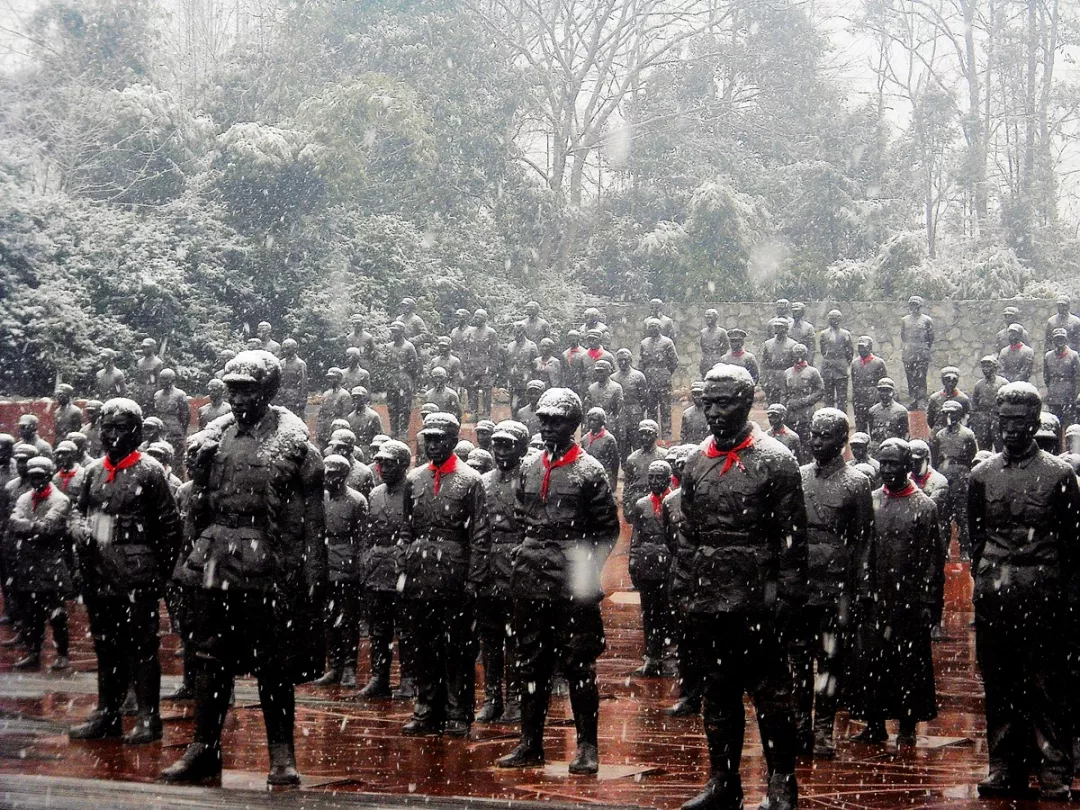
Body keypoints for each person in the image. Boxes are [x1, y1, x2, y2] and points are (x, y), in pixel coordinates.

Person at [162, 351, 325, 786]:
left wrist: (312, 576)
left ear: (267, 391)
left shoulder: (296, 449)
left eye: (246, 388)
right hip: (215, 561)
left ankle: (281, 754)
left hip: (266, 566)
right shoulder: (211, 442)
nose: (237, 397)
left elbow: (312, 523)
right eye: (232, 388)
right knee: (210, 660)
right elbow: (197, 506)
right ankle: (204, 748)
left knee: (274, 664)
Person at [676, 364, 806, 810]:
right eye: (707, 402)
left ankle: (781, 782)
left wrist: (787, 596)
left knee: (771, 693)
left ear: (747, 402)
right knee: (718, 690)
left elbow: (792, 539)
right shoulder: (695, 461)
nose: (713, 411)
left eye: (724, 402)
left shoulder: (777, 460)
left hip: (758, 595)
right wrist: (687, 591)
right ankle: (723, 781)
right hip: (710, 595)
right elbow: (688, 534)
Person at [495, 388, 619, 775]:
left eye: (557, 420)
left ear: (574, 424)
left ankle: (586, 747)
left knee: (578, 665)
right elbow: (520, 518)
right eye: (544, 419)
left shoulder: (589, 470)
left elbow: (606, 532)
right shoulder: (529, 467)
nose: (548, 426)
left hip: (572, 578)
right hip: (531, 578)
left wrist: (581, 574)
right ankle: (530, 744)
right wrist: (528, 555)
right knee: (530, 663)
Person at [968, 382, 1080, 800]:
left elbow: (1072, 547)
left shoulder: (1059, 474)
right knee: (1001, 685)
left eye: (1020, 421)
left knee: (1048, 686)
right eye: (1005, 420)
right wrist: (989, 581)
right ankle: (1004, 766)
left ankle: (1054, 769)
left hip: (1044, 599)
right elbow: (978, 538)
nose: (1011, 429)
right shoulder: (982, 475)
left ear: (1034, 422)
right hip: (998, 599)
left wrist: (1066, 602)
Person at [68, 398, 181, 746]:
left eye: (120, 427)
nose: (112, 434)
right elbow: (81, 510)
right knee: (105, 646)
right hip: (100, 575)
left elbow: (170, 528)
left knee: (142, 648)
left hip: (137, 577)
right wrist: (79, 528)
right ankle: (108, 713)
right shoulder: (93, 472)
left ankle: (149, 717)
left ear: (135, 432)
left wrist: (157, 574)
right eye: (107, 426)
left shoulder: (150, 472)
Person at [399, 412, 490, 738]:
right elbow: (406, 529)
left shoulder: (471, 481)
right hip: (421, 576)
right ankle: (426, 710)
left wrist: (473, 579)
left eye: (439, 439)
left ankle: (457, 712)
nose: (433, 444)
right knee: (423, 647)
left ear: (453, 441)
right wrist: (402, 570)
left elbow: (480, 535)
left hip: (455, 576)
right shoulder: (414, 479)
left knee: (457, 650)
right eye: (429, 438)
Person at [847, 438, 942, 749]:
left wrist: (929, 601)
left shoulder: (924, 506)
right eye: (883, 463)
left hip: (908, 600)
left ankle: (907, 726)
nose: (888, 469)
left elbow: (932, 560)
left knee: (909, 664)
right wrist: (862, 587)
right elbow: (860, 551)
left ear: (907, 466)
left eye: (894, 463)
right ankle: (874, 723)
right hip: (874, 598)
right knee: (871, 661)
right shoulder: (871, 502)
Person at [793, 408, 873, 759]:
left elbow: (864, 542)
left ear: (842, 440)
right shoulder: (798, 477)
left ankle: (823, 727)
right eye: (813, 434)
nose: (817, 441)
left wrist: (861, 589)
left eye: (825, 436)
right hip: (800, 588)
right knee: (797, 663)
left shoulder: (857, 483)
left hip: (836, 589)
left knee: (830, 661)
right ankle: (799, 726)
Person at [476, 420, 530, 724]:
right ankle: (492, 697)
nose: (500, 450)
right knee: (490, 639)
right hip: (487, 568)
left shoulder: (528, 479)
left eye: (507, 444)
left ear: (521, 447)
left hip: (517, 568)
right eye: (496, 444)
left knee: (516, 639)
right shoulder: (482, 482)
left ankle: (514, 698)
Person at [358, 439, 413, 700]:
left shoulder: (412, 490)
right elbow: (368, 532)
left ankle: (408, 679)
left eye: (390, 463)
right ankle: (379, 677)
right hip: (377, 568)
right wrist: (368, 559)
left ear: (403, 465)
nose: (384, 468)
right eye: (380, 463)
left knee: (406, 629)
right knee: (379, 630)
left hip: (403, 567)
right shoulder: (375, 493)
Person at [6, 457, 72, 672]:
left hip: (51, 563)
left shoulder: (59, 499)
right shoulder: (25, 497)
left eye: (40, 477)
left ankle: (62, 653)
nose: (36, 481)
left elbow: (49, 528)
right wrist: (34, 527)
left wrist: (30, 528)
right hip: (29, 562)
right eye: (33, 476)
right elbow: (14, 522)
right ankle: (34, 652)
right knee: (31, 613)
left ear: (48, 476)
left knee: (56, 612)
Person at [313, 455, 368, 689]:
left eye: (334, 473)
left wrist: (358, 566)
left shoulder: (356, 501)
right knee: (327, 620)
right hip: (325, 566)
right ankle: (333, 665)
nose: (328, 477)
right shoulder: (320, 499)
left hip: (347, 568)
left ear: (344, 475)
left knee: (348, 620)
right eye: (327, 473)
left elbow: (363, 538)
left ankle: (348, 667)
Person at [661, 444, 701, 717]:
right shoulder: (669, 502)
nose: (682, 468)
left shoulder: (710, 494)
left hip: (710, 576)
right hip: (682, 576)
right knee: (685, 642)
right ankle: (689, 695)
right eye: (678, 464)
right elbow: (670, 541)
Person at [628, 459, 674, 677]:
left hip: (669, 565)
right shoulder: (641, 505)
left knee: (669, 613)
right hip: (647, 564)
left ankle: (670, 656)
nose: (655, 481)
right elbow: (636, 536)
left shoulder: (676, 501)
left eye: (659, 477)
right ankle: (651, 656)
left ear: (668, 478)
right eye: (652, 477)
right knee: (649, 613)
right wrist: (633, 561)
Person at [930, 400, 977, 564]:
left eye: (953, 413)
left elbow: (973, 458)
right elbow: (934, 460)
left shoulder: (967, 435)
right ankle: (944, 549)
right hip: (944, 478)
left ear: (959, 415)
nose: (950, 416)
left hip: (961, 479)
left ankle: (965, 548)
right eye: (947, 413)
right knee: (943, 516)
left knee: (962, 515)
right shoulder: (939, 436)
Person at [640, 318, 680, 439]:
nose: (652, 329)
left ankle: (667, 434)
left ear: (660, 328)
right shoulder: (644, 343)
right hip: (649, 380)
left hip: (663, 380)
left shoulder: (667, 342)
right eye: (650, 326)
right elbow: (642, 362)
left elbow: (674, 361)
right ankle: (652, 431)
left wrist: (666, 372)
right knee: (651, 408)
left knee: (665, 408)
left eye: (655, 326)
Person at [782, 343, 824, 460]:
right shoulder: (787, 373)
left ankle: (807, 461)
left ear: (805, 355)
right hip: (791, 412)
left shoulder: (812, 372)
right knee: (791, 440)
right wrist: (785, 406)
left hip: (806, 412)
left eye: (800, 353)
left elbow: (820, 390)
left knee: (806, 441)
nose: (797, 355)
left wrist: (806, 401)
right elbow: (783, 393)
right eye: (795, 353)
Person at [622, 420, 668, 520]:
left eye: (648, 434)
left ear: (656, 435)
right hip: (638, 503)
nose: (644, 438)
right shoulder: (632, 459)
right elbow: (627, 487)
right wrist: (627, 509)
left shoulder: (665, 456)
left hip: (659, 502)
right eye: (641, 434)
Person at [384, 321, 421, 439]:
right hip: (391, 379)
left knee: (404, 407)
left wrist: (411, 381)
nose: (393, 334)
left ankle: (403, 430)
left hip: (405, 380)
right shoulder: (388, 347)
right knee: (392, 407)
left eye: (396, 332)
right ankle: (394, 430)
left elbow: (415, 366)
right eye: (392, 331)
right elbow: (385, 364)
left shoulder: (409, 347)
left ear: (402, 332)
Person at [613, 348, 649, 465]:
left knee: (638, 443)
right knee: (623, 446)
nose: (623, 362)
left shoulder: (638, 376)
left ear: (630, 360)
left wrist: (637, 411)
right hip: (620, 417)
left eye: (625, 360)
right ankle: (626, 469)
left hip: (635, 416)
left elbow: (645, 399)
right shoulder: (613, 378)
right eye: (620, 360)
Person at [463, 309, 499, 421]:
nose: (476, 318)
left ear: (484, 318)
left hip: (485, 365)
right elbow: (465, 350)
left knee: (486, 391)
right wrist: (465, 365)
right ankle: (473, 411)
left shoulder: (491, 332)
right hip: (472, 365)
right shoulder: (469, 332)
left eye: (479, 316)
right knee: (471, 390)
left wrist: (492, 367)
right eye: (475, 316)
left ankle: (487, 414)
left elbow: (494, 352)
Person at [900, 295, 934, 410]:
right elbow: (903, 336)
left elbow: (930, 338)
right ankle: (913, 399)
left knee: (921, 378)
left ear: (920, 306)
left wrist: (923, 348)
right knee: (910, 378)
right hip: (909, 353)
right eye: (911, 305)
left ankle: (921, 399)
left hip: (922, 353)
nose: (913, 307)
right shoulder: (904, 320)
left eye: (915, 305)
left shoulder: (927, 320)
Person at [850, 336, 887, 433]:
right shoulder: (854, 363)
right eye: (860, 347)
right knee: (860, 428)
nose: (861, 350)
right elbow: (854, 383)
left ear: (870, 347)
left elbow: (883, 383)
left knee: (874, 427)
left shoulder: (879, 363)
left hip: (873, 399)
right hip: (859, 400)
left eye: (864, 347)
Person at [818, 310, 854, 412]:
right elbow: (823, 350)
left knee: (842, 398)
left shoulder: (846, 334)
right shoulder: (824, 334)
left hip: (841, 370)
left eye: (835, 318)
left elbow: (849, 352)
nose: (833, 320)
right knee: (828, 397)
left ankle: (842, 418)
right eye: (831, 318)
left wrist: (842, 363)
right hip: (828, 369)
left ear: (840, 319)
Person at [1043, 327, 1080, 426]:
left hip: (1069, 396)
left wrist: (1074, 394)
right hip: (1053, 395)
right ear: (1053, 340)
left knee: (1068, 423)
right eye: (1057, 339)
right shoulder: (1048, 356)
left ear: (1066, 340)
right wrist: (1052, 387)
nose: (1060, 341)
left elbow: (1077, 377)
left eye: (1062, 339)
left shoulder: (1073, 355)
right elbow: (1046, 376)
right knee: (1054, 423)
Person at [971, 356, 1008, 452]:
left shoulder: (1003, 383)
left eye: (988, 366)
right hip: (983, 422)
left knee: (1001, 449)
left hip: (998, 421)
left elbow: (1009, 403)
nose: (985, 369)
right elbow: (974, 406)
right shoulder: (979, 385)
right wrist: (977, 422)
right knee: (984, 450)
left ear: (995, 367)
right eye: (983, 367)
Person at [152, 369, 189, 463]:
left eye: (165, 379)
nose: (162, 381)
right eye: (161, 379)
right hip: (161, 431)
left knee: (176, 460)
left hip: (175, 432)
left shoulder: (180, 394)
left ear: (172, 380)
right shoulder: (157, 395)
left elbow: (185, 415)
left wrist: (182, 431)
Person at [505, 322, 539, 418]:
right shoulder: (510, 346)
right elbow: (508, 365)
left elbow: (535, 365)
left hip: (526, 382)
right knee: (513, 406)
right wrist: (508, 380)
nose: (516, 334)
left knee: (526, 406)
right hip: (513, 381)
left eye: (519, 332)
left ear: (523, 332)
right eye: (514, 332)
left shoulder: (531, 346)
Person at [582, 407, 620, 491]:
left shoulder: (609, 439)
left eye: (595, 420)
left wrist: (613, 483)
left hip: (604, 477)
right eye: (590, 420)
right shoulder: (584, 439)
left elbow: (615, 463)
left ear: (601, 421)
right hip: (588, 478)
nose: (592, 423)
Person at [867, 378, 909, 453]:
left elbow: (905, 434)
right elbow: (872, 431)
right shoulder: (872, 411)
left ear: (892, 392)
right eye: (882, 390)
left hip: (894, 448)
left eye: (887, 390)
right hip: (877, 449)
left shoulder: (901, 411)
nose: (884, 394)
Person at [761, 318, 796, 405]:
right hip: (771, 378)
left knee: (784, 403)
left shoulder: (793, 344)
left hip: (785, 375)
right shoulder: (768, 344)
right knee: (771, 403)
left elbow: (794, 364)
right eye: (775, 327)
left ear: (786, 329)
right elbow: (764, 363)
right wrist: (763, 379)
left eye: (780, 327)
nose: (777, 329)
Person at [925, 367, 971, 432]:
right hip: (938, 432)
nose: (950, 383)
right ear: (943, 381)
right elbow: (930, 419)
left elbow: (967, 419)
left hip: (957, 434)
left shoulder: (963, 399)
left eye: (954, 381)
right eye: (947, 380)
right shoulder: (935, 398)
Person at [271, 339, 307, 418]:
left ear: (294, 349)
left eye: (287, 348)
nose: (285, 351)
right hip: (281, 399)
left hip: (293, 399)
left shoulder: (300, 364)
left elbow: (303, 384)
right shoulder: (280, 363)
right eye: (283, 348)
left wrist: (302, 401)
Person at [345, 387, 384, 461]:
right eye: (354, 397)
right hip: (354, 452)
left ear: (365, 399)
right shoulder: (350, 417)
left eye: (359, 397)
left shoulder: (373, 416)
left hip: (368, 452)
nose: (356, 400)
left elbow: (379, 436)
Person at [316, 367, 351, 449]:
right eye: (328, 378)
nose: (329, 380)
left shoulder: (344, 395)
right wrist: (319, 431)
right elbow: (321, 414)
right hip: (325, 431)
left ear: (338, 379)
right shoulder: (326, 394)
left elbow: (346, 415)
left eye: (332, 378)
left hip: (337, 430)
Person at [584, 359, 622, 426]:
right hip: (595, 425)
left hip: (610, 424)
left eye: (601, 371)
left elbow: (620, 413)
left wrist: (621, 432)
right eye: (597, 371)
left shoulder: (616, 388)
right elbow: (587, 412)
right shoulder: (591, 389)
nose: (599, 374)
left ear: (608, 372)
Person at [133, 339, 164, 413]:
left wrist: (157, 397)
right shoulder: (139, 362)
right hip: (141, 393)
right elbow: (138, 379)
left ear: (152, 348)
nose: (144, 349)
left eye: (147, 347)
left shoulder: (157, 363)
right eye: (143, 347)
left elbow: (159, 382)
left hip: (152, 393)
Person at [699, 309, 729, 377]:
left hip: (717, 361)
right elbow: (702, 346)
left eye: (710, 317)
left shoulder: (722, 332)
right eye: (706, 317)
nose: (707, 319)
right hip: (705, 362)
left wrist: (718, 356)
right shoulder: (703, 332)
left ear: (715, 318)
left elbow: (726, 346)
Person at [679, 381, 709, 445]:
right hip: (691, 447)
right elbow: (683, 435)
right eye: (694, 394)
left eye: (699, 394)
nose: (696, 397)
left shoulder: (711, 413)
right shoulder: (687, 414)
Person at [562, 330, 586, 397]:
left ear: (578, 339)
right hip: (568, 384)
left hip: (580, 384)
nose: (572, 341)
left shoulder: (584, 353)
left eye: (573, 339)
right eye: (570, 339)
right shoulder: (565, 354)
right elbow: (564, 370)